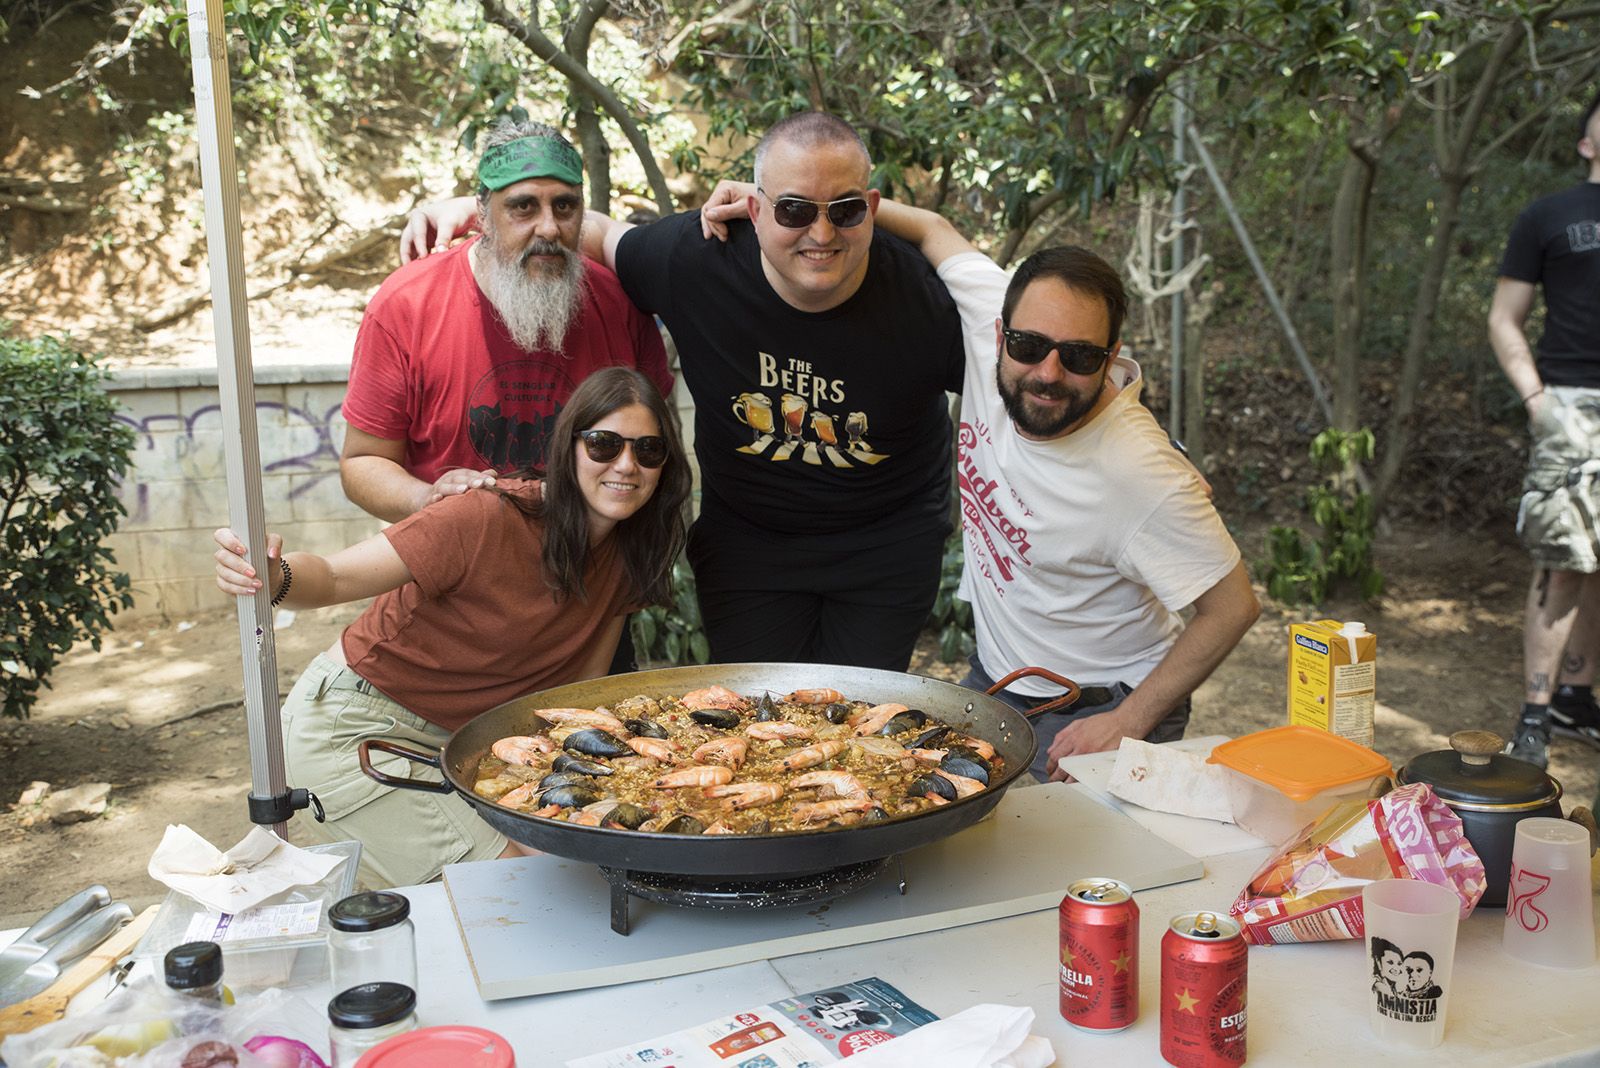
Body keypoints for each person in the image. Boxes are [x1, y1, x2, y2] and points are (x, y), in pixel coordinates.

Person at [703, 189, 1257, 777]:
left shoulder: (1141, 472)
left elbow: (1232, 608)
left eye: (1079, 357)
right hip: (997, 680)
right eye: (1028, 346)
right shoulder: (988, 316)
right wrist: (785, 200)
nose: (1047, 373)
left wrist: (1128, 721)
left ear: (1110, 356)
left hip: (1099, 707)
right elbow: (931, 226)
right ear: (1000, 332)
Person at [401, 112, 964, 672]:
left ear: (869, 207)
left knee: (862, 715)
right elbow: (585, 229)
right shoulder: (695, 259)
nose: (821, 234)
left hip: (887, 542)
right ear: (755, 208)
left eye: (843, 211)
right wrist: (472, 212)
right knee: (755, 719)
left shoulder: (930, 302)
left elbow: (1030, 382)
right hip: (751, 545)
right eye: (793, 209)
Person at [213, 368, 691, 886]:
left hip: (470, 741)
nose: (626, 465)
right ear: (569, 446)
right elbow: (330, 578)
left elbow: (575, 695)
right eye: (603, 445)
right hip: (357, 728)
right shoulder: (484, 515)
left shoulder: (630, 552)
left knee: (566, 867)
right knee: (512, 886)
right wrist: (270, 574)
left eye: (648, 450)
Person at [345, 119, 673, 523]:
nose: (549, 227)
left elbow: (654, 450)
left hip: (591, 575)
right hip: (449, 570)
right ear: (481, 213)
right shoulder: (406, 304)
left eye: (565, 206)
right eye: (523, 207)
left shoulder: (620, 304)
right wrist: (427, 497)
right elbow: (362, 461)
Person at [1489, 88, 1600, 768]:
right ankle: (1535, 713)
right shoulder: (1549, 215)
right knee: (1561, 565)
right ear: (1586, 141)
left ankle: (1576, 700)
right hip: (1572, 406)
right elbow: (1505, 316)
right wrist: (1539, 401)